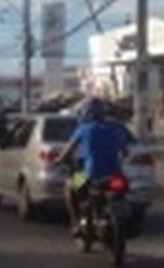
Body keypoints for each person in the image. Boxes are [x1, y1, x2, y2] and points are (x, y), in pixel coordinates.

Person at [57, 97, 133, 238]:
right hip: (115, 174)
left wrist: (60, 160)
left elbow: (66, 153)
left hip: (89, 174)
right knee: (124, 191)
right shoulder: (114, 128)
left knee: (69, 186)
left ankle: (76, 224)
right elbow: (126, 152)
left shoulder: (83, 129)